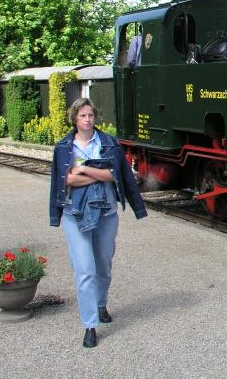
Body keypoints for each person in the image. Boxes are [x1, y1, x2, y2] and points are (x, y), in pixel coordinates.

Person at [49, 98, 147, 348]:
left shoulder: (109, 144)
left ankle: (101, 304)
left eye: (90, 115)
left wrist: (83, 171)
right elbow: (65, 181)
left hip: (106, 213)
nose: (87, 119)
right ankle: (90, 324)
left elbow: (115, 175)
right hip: (75, 213)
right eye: (82, 116)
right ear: (75, 118)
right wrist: (96, 173)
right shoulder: (63, 147)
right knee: (85, 270)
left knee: (103, 264)